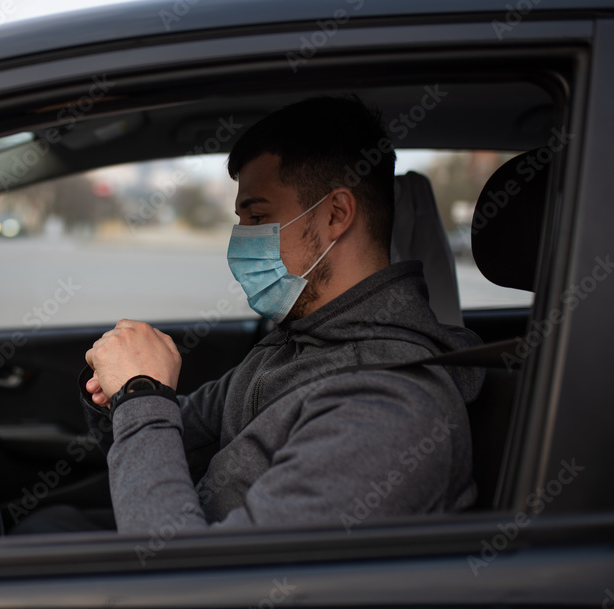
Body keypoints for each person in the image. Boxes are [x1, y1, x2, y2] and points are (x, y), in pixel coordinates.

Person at [81, 95, 483, 535]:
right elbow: (177, 429)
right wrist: (120, 394)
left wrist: (141, 394)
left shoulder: (387, 407)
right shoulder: (293, 344)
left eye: (258, 216)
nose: (241, 242)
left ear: (337, 213)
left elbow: (187, 584)